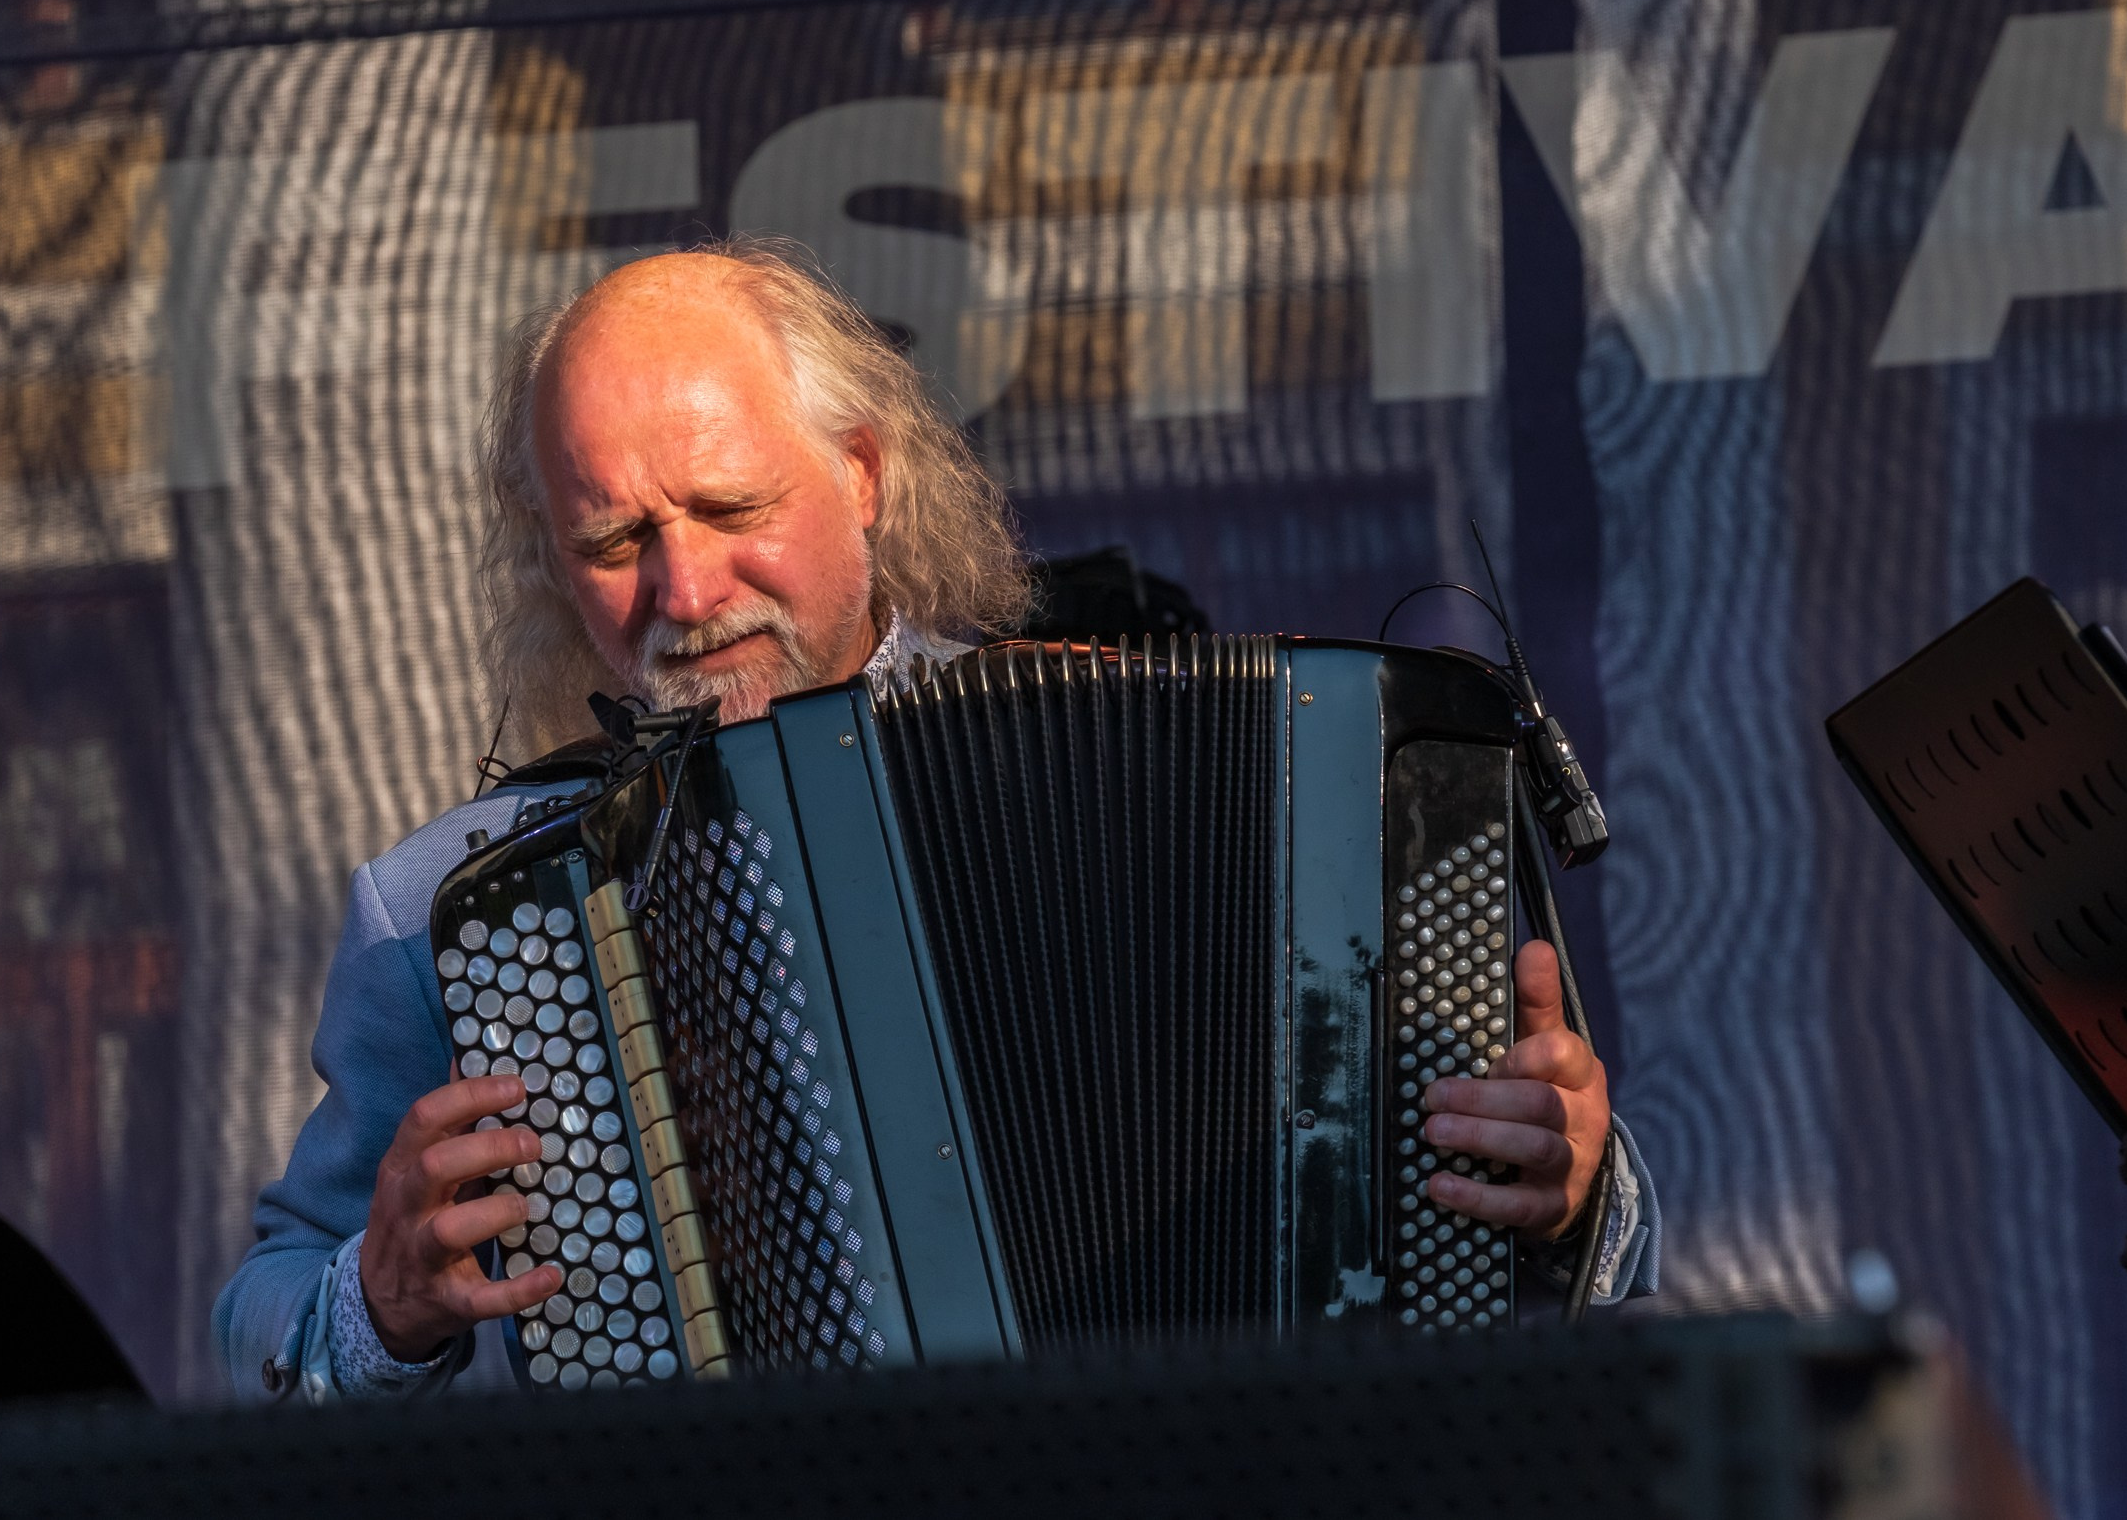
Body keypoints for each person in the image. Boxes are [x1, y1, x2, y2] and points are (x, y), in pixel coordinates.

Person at [212, 242, 1661, 1399]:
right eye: (616, 540)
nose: (685, 592)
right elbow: (260, 1313)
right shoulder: (459, 913)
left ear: (862, 473)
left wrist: (1574, 1190)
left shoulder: (1159, 745)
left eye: (729, 507)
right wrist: (375, 1307)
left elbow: (1587, 1239)